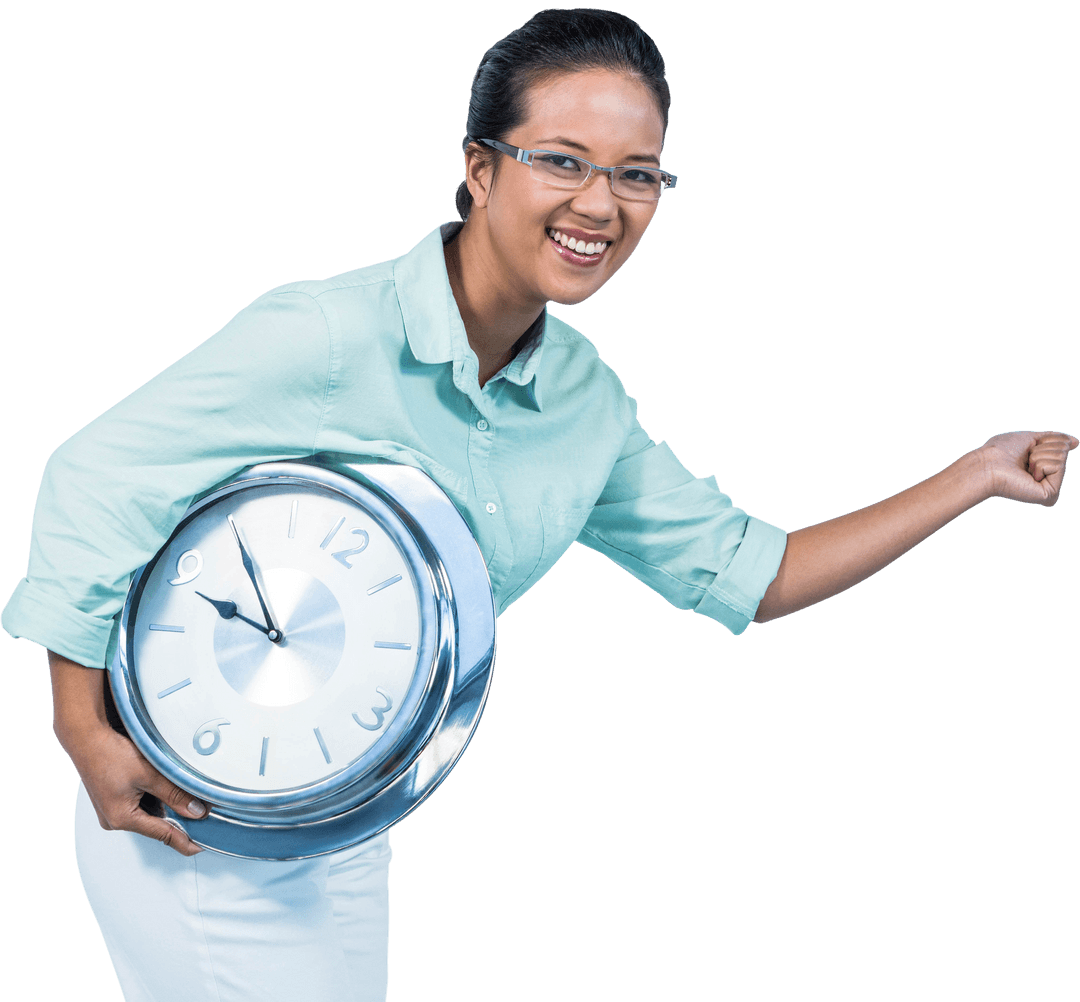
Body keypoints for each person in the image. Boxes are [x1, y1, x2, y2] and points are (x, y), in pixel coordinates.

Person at [2, 8, 1075, 1002]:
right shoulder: (328, 335)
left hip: (343, 826)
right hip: (187, 817)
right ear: (479, 167)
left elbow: (753, 571)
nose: (599, 206)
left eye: (638, 175)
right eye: (561, 161)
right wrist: (77, 724)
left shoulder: (584, 405)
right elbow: (98, 476)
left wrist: (973, 473)